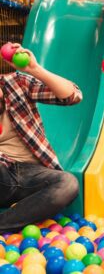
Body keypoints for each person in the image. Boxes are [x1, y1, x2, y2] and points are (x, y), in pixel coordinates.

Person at [0, 43, 82, 234]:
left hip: (31, 173)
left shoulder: (16, 83)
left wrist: (35, 69)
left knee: (68, 184)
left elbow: (73, 96)